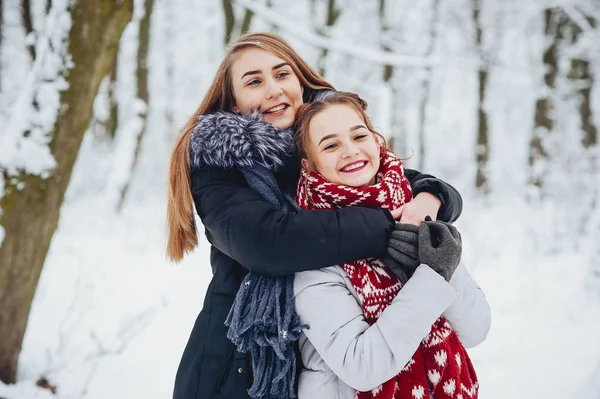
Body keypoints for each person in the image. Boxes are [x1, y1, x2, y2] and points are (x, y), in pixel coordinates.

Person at [167, 32, 464, 399]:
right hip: (240, 366)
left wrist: (431, 197)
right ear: (233, 106)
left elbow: (404, 181)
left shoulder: (327, 144)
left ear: (300, 82)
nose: (274, 89)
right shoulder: (219, 166)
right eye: (255, 81)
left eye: (282, 74)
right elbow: (269, 243)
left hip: (324, 368)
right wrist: (395, 222)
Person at [292, 91, 491, 399]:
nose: (350, 151)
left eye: (359, 136)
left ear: (377, 142)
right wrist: (431, 280)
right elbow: (362, 367)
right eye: (330, 145)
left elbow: (476, 330)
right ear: (309, 166)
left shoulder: (412, 213)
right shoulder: (315, 246)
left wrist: (444, 266)